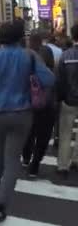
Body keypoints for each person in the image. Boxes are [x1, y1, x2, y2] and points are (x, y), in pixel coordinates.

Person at [0, 21, 55, 225]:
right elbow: (49, 80)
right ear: (21, 37)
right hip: (22, 113)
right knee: (13, 160)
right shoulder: (29, 55)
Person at [21, 33, 56, 178]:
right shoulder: (46, 52)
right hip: (46, 100)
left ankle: (26, 157)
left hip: (28, 101)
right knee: (44, 134)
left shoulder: (23, 55)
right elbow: (51, 76)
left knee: (28, 132)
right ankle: (35, 164)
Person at [55, 24, 78, 180]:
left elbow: (60, 80)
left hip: (68, 100)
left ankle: (63, 166)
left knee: (65, 133)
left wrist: (60, 98)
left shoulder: (66, 55)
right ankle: (76, 160)